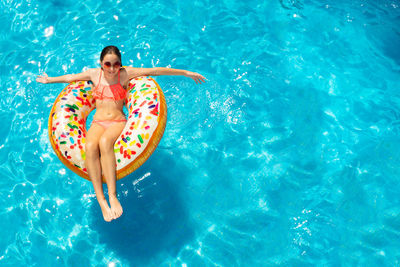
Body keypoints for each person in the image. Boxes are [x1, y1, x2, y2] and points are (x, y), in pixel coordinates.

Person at [37, 45, 206, 222]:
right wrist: (50, 80)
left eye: (116, 64)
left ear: (121, 64)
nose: (111, 68)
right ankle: (101, 200)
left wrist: (186, 73)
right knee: (89, 146)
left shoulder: (125, 74)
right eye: (107, 64)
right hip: (98, 122)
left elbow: (155, 71)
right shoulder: (94, 74)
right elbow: (71, 78)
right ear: (101, 63)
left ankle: (112, 195)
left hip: (117, 121)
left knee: (105, 143)